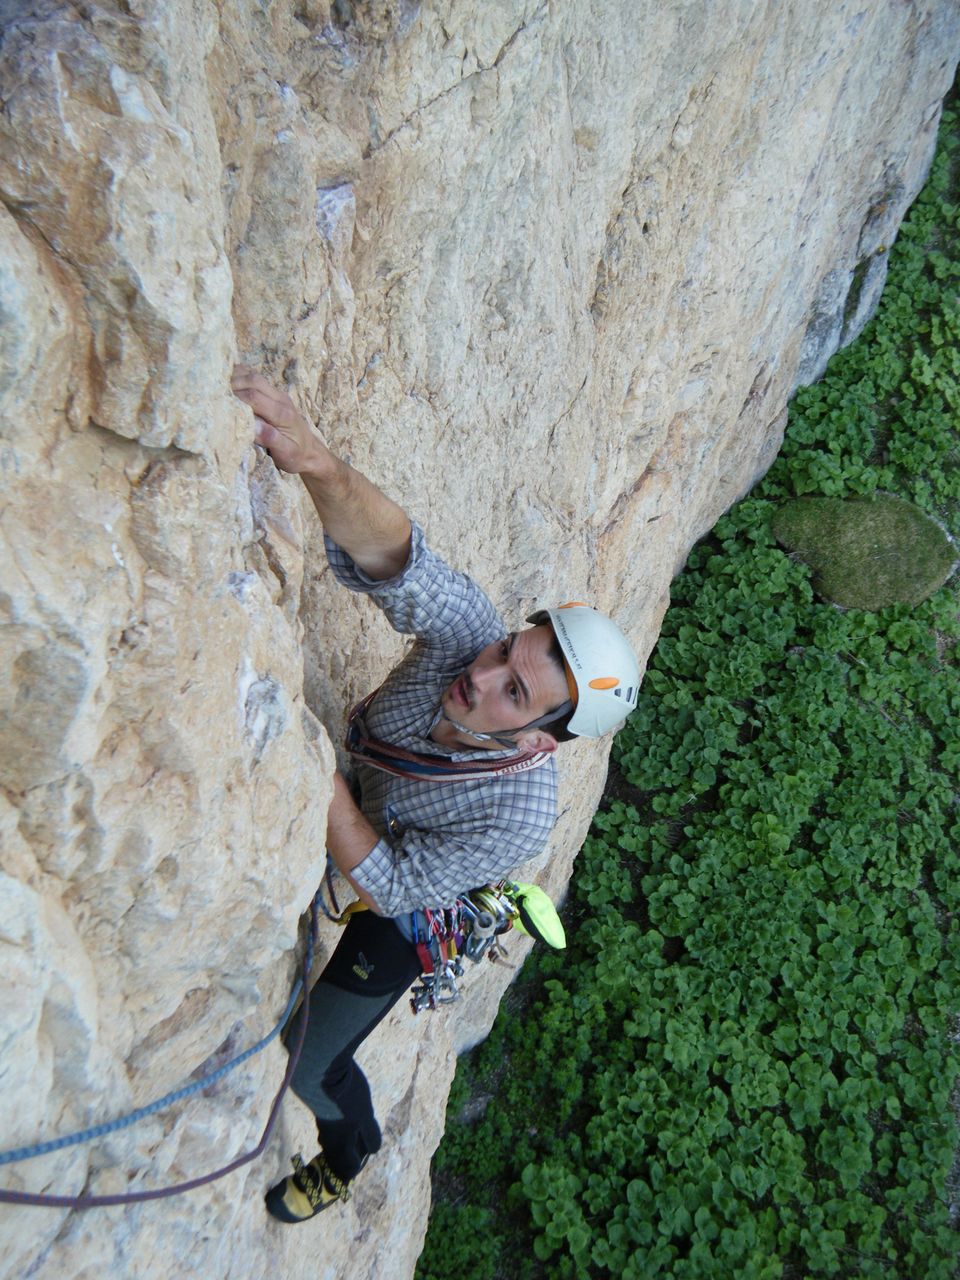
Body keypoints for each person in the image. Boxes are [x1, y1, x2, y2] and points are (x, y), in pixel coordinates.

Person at [231, 367, 641, 1224]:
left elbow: (395, 886)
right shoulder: (472, 643)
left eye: (514, 693)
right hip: (377, 804)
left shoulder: (517, 815)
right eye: (505, 652)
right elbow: (399, 560)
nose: (480, 677)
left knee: (309, 1062)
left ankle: (347, 1157)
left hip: (413, 909)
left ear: (539, 740)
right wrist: (318, 463)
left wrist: (317, 779)